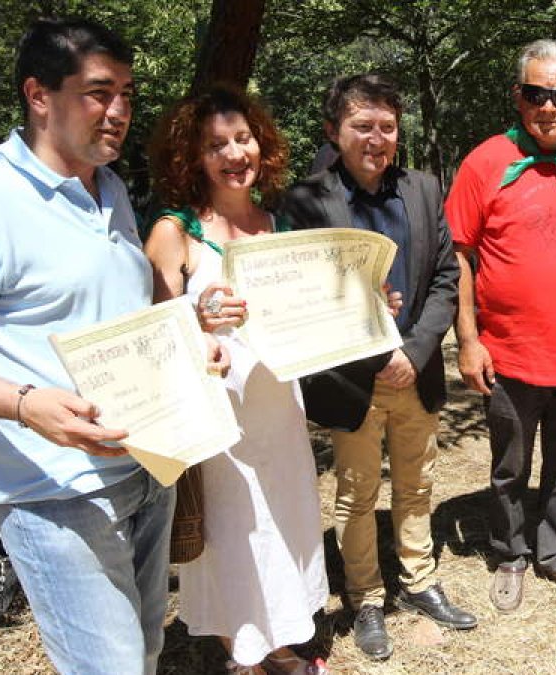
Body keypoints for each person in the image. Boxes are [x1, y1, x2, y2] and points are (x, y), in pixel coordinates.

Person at [0, 18, 222, 673]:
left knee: (143, 652)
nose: (119, 110)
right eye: (98, 92)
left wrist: (190, 338)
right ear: (39, 95)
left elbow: (128, 312)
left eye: (126, 92)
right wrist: (26, 402)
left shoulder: (111, 190)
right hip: (52, 490)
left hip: (148, 470)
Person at [277, 74, 472, 662]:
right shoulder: (304, 201)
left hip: (414, 370)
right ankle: (365, 596)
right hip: (349, 378)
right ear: (334, 132)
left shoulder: (424, 189)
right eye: (362, 126)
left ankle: (419, 580)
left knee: (417, 484)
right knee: (357, 494)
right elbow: (299, 295)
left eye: (387, 126)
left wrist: (413, 352)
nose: (377, 138)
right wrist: (368, 345)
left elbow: (444, 278)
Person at [143, 85, 329, 675]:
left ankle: (279, 643)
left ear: (261, 144)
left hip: (280, 407)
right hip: (219, 416)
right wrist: (193, 320)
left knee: (282, 521)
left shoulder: (277, 224)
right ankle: (242, 653)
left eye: (243, 138)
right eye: (216, 144)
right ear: (193, 158)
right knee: (234, 532)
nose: (234, 153)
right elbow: (152, 330)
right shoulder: (174, 232)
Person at [445, 39, 556, 612]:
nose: (550, 107)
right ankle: (510, 554)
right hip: (511, 355)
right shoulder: (484, 162)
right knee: (509, 469)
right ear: (518, 97)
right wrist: (468, 341)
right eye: (537, 94)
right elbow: (461, 258)